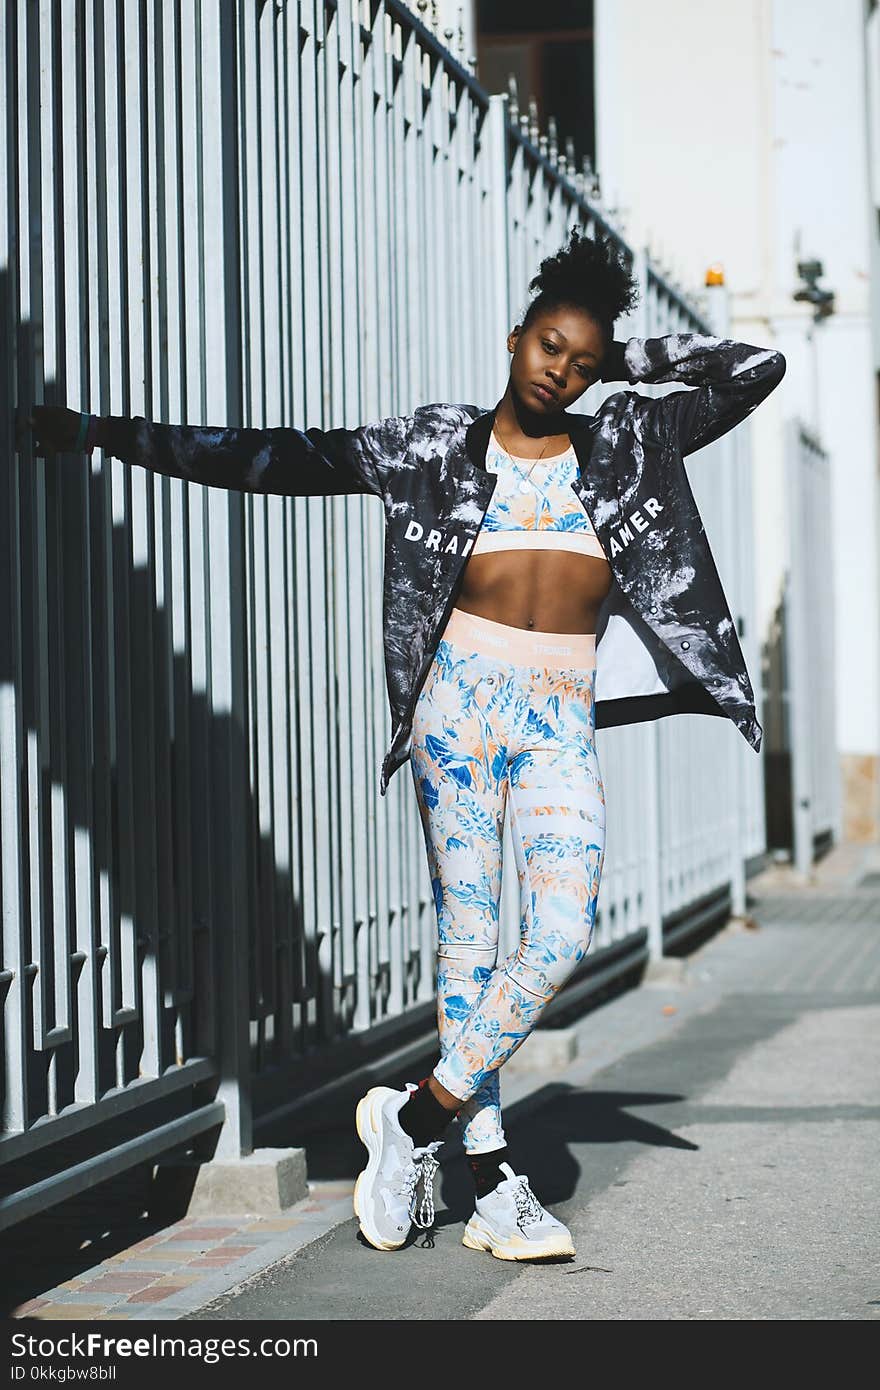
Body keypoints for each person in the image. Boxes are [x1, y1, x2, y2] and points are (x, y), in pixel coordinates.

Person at [18, 227, 785, 1263]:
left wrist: (625, 355)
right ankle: (496, 1179)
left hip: (557, 709)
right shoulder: (434, 445)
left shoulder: (628, 439)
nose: (561, 373)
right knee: (469, 941)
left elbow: (754, 367)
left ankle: (411, 1121)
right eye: (548, 347)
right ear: (513, 338)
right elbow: (276, 456)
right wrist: (105, 433)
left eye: (581, 361)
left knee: (560, 929)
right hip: (457, 708)